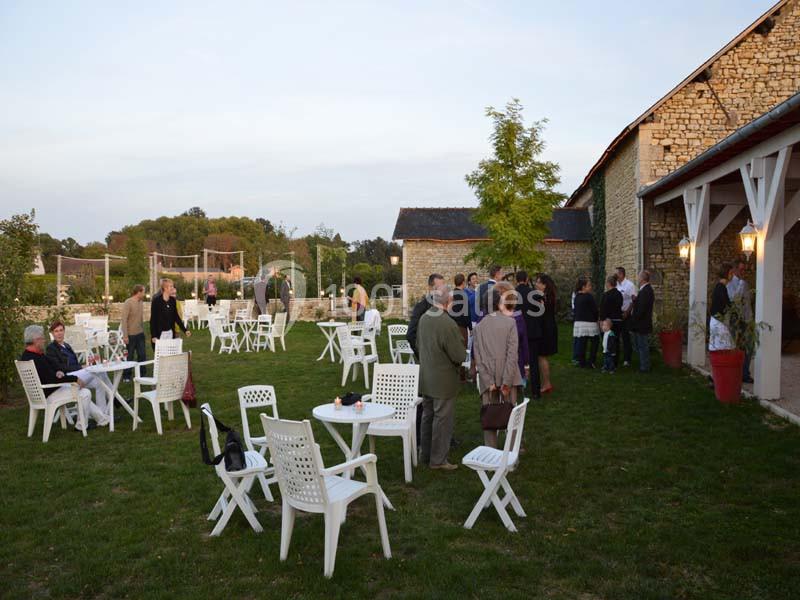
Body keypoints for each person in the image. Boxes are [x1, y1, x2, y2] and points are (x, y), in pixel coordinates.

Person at [20, 325, 108, 431]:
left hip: (43, 392)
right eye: (42, 338)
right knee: (85, 393)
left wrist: (58, 371)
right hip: (50, 393)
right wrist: (74, 379)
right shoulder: (36, 359)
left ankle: (102, 419)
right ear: (36, 340)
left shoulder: (27, 356)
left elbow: (51, 369)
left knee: (82, 391)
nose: (44, 341)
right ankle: (82, 426)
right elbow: (51, 380)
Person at [417, 286, 467, 470]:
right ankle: (438, 460)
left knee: (428, 416)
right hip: (443, 380)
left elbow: (418, 344)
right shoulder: (447, 323)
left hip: (426, 376)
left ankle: (425, 454)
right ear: (448, 302)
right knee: (442, 420)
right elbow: (459, 355)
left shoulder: (424, 318)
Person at [473, 283, 525, 448]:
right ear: (498, 303)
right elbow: (512, 355)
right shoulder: (510, 323)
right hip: (508, 374)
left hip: (487, 376)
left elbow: (479, 358)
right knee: (512, 413)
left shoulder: (478, 327)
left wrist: (489, 382)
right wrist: (507, 382)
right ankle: (513, 451)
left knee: (489, 416)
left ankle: (491, 451)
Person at [46, 321, 114, 414]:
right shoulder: (51, 348)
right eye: (56, 331)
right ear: (52, 333)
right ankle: (114, 397)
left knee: (99, 382)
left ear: (64, 331)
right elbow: (60, 367)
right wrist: (81, 367)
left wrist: (81, 366)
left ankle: (103, 413)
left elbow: (74, 363)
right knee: (99, 371)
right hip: (67, 378)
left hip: (77, 373)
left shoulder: (66, 345)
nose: (59, 333)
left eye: (61, 330)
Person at [515, 270, 542, 398]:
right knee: (534, 361)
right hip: (532, 330)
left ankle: (517, 387)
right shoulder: (533, 294)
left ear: (517, 280)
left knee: (516, 359)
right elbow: (540, 311)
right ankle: (536, 391)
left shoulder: (512, 294)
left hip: (517, 330)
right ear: (526, 279)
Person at [727, 258, 753, 383]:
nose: (743, 272)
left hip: (746, 319)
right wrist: (741, 283)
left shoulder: (745, 283)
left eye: (744, 270)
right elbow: (734, 299)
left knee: (749, 346)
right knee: (736, 347)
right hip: (735, 320)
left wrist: (750, 317)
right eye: (741, 269)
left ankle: (745, 373)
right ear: (735, 269)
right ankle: (735, 373)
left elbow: (747, 302)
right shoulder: (729, 284)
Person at [150, 278, 191, 349]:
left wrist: (185, 330)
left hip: (170, 333)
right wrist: (153, 335)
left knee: (170, 353)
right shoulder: (156, 301)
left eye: (173, 286)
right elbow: (153, 320)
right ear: (165, 288)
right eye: (171, 286)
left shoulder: (172, 301)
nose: (173, 288)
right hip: (159, 334)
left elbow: (176, 317)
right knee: (161, 354)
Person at [535, 273, 558, 394]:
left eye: (538, 282)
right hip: (549, 327)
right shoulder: (550, 296)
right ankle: (546, 383)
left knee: (542, 356)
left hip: (545, 329)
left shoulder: (543, 298)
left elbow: (540, 314)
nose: (536, 284)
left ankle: (546, 383)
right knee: (542, 356)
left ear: (544, 285)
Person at [629, 270, 655, 373]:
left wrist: (634, 319)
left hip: (642, 323)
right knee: (640, 345)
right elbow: (641, 303)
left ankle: (645, 367)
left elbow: (642, 308)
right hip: (641, 322)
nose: (638, 278)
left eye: (639, 276)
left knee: (642, 346)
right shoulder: (645, 290)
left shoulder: (646, 291)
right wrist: (635, 300)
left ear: (643, 279)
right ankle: (644, 365)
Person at [121, 284, 147, 380]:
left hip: (140, 334)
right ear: (138, 292)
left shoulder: (141, 302)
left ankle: (142, 374)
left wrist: (142, 330)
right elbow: (124, 319)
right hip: (130, 335)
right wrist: (125, 335)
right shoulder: (128, 302)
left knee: (142, 355)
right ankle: (126, 376)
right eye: (143, 292)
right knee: (130, 356)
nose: (144, 294)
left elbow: (140, 318)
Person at [572, 277, 600, 368]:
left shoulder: (577, 297)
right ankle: (591, 361)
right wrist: (597, 319)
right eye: (589, 285)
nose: (590, 287)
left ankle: (582, 362)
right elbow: (595, 310)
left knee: (582, 343)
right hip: (589, 323)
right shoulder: (589, 296)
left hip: (579, 322)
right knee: (595, 341)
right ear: (583, 287)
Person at [449, 274, 472, 381]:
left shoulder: (451, 294)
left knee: (453, 349)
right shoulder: (463, 295)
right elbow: (467, 313)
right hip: (461, 327)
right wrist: (470, 328)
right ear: (463, 282)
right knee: (462, 350)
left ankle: (453, 374)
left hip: (451, 325)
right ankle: (461, 376)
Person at [599, 274, 623, 370]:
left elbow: (603, 309)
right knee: (615, 342)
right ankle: (615, 363)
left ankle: (608, 363)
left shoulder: (606, 295)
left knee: (607, 343)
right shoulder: (619, 294)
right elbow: (620, 306)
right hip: (618, 321)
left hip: (608, 322)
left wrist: (601, 321)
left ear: (608, 283)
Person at [709, 262, 734, 352]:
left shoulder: (721, 287)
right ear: (726, 273)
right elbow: (727, 305)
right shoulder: (721, 288)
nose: (732, 275)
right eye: (731, 273)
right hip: (718, 322)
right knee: (724, 348)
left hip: (718, 321)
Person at [616, 267, 637, 367]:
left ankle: (627, 359)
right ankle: (615, 357)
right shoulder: (616, 284)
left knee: (625, 337)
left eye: (616, 274)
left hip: (626, 314)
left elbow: (633, 300)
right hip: (616, 314)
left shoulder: (630, 285)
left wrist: (627, 312)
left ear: (621, 274)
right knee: (615, 336)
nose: (615, 275)